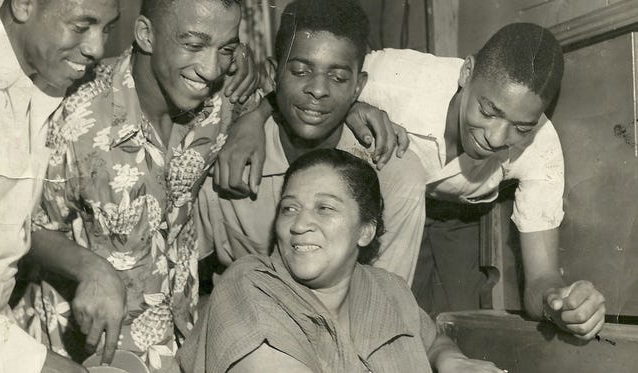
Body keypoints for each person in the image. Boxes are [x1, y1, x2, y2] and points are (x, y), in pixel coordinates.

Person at [11, 0, 261, 371]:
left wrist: (256, 117)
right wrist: (89, 268)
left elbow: (303, 89)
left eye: (225, 49)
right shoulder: (73, 115)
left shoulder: (223, 100)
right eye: (193, 44)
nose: (210, 69)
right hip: (82, 353)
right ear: (146, 34)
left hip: (184, 343)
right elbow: (20, 229)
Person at [357, 23, 605, 339]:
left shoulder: (542, 149)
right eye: (488, 111)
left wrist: (557, 303)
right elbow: (309, 85)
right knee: (382, 320)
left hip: (458, 219)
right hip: (388, 203)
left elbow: (541, 279)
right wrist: (352, 108)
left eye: (522, 128)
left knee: (456, 336)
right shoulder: (393, 78)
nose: (496, 137)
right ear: (466, 73)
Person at [178, 148, 504, 373]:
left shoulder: (386, 289)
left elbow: (430, 338)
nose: (299, 224)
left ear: (365, 230)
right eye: (289, 208)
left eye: (325, 208)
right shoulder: (249, 286)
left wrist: (451, 358)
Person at [195, 0, 425, 283]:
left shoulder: (394, 173)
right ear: (273, 74)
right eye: (301, 72)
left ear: (358, 87)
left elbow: (387, 303)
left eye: (338, 77)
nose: (317, 90)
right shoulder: (230, 152)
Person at [0, 0, 119, 372]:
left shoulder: (47, 72)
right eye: (81, 25)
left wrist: (257, 101)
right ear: (23, 4)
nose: (97, 48)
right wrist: (40, 365)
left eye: (107, 28)